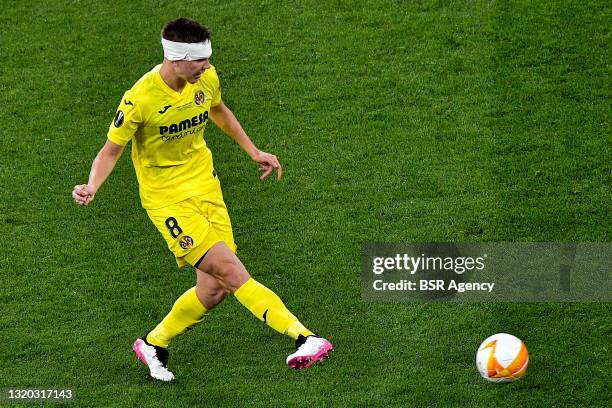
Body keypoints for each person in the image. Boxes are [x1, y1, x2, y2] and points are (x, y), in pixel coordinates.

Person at [72, 17, 332, 381]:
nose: (207, 67)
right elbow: (111, 151)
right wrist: (92, 185)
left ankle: (152, 343)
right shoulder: (140, 100)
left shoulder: (205, 79)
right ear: (176, 59)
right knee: (230, 271)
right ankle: (305, 337)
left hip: (206, 188)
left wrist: (252, 150)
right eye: (200, 61)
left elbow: (218, 109)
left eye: (208, 60)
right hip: (168, 201)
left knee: (213, 290)